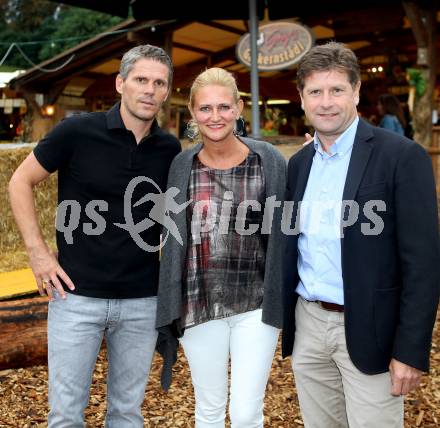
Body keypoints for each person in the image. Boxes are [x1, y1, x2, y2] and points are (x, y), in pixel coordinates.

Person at [8, 44, 181, 427]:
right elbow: (20, 181)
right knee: (66, 416)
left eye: (159, 83)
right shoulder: (76, 132)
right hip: (75, 298)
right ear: (121, 83)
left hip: (141, 301)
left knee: (126, 413)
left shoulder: (169, 148)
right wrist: (37, 254)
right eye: (140, 80)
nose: (149, 90)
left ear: (167, 91)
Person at [282, 42, 439, 428]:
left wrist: (411, 350)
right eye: (315, 92)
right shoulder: (299, 164)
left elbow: (423, 261)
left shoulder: (401, 156)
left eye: (337, 90)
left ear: (355, 91)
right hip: (309, 324)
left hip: (373, 328)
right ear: (301, 98)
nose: (326, 102)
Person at [156, 67, 286, 427]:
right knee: (209, 410)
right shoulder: (182, 166)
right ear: (193, 112)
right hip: (198, 303)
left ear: (239, 108)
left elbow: (287, 226)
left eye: (224, 107)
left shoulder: (268, 160)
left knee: (246, 413)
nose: (215, 117)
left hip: (255, 305)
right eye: (206, 108)